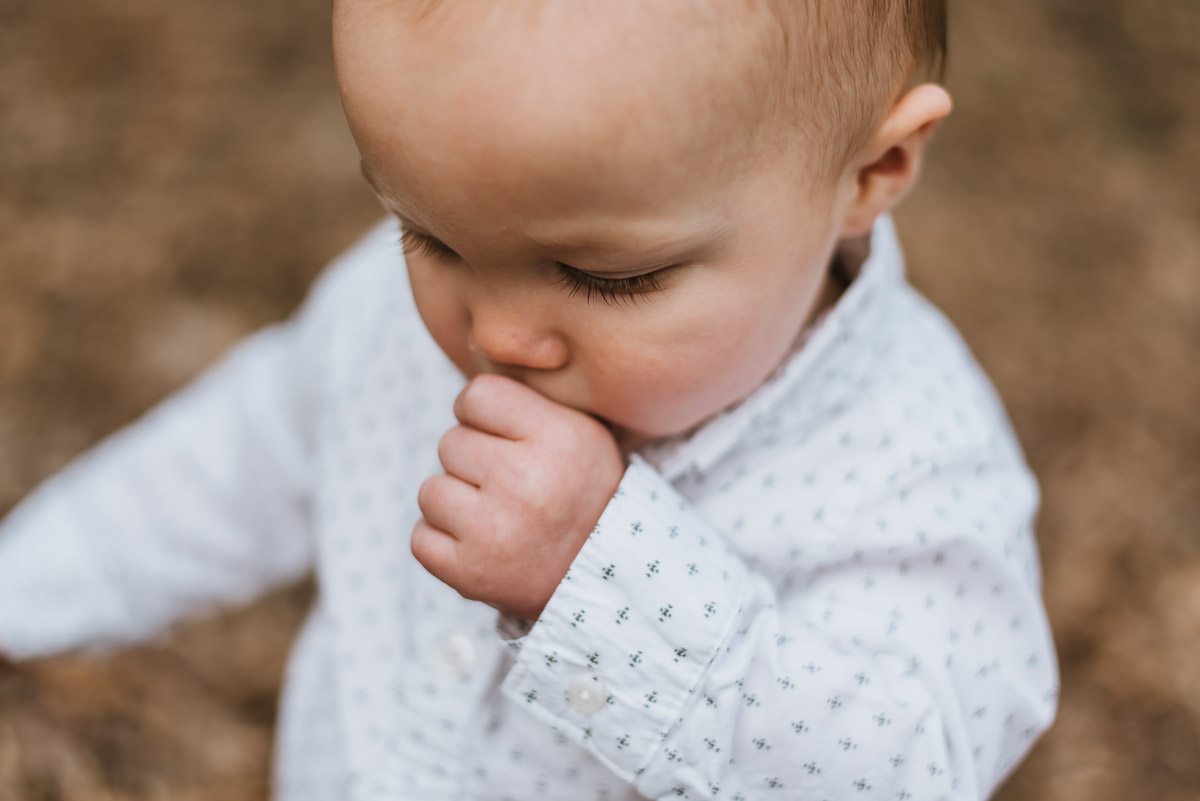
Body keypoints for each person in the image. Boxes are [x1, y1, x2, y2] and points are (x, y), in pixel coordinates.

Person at [0, 1, 1059, 799]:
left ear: (873, 170)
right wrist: (27, 587)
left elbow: (911, 768)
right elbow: (242, 457)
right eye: (430, 236)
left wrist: (605, 582)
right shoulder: (390, 313)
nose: (496, 334)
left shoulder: (910, 465)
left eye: (608, 278)